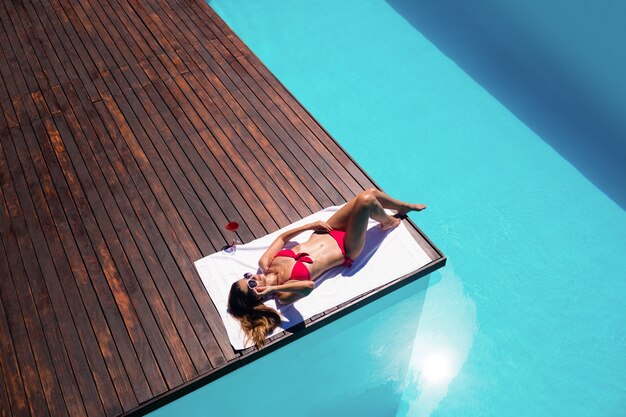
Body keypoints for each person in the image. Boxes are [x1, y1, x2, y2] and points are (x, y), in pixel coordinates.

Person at [227, 188, 426, 347]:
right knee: (366, 201)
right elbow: (308, 286)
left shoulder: (265, 263)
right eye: (251, 282)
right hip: (346, 248)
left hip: (327, 232)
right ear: (258, 295)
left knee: (370, 193)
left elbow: (282, 238)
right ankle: (388, 222)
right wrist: (274, 289)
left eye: (247, 275)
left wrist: (309, 226)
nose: (254, 275)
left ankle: (404, 206)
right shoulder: (283, 296)